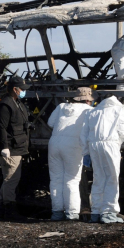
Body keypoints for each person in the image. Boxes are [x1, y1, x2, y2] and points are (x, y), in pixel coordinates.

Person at [80, 94, 124, 223]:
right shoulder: (119, 111)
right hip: (110, 144)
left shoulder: (93, 111)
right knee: (112, 178)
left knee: (98, 178)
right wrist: (117, 142)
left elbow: (83, 134)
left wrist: (86, 151)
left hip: (94, 145)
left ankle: (96, 211)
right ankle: (109, 213)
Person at [46, 87, 94, 221]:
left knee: (55, 179)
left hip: (54, 143)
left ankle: (56, 213)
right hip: (73, 145)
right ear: (87, 100)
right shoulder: (88, 110)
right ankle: (71, 214)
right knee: (71, 180)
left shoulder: (61, 106)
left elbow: (50, 123)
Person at [0, 75, 31, 220]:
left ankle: (2, 209)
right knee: (12, 179)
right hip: (11, 147)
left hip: (17, 145)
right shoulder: (5, 105)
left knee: (8, 178)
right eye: (22, 89)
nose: (23, 91)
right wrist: (5, 146)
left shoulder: (17, 103)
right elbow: (1, 127)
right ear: (15, 89)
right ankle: (9, 209)